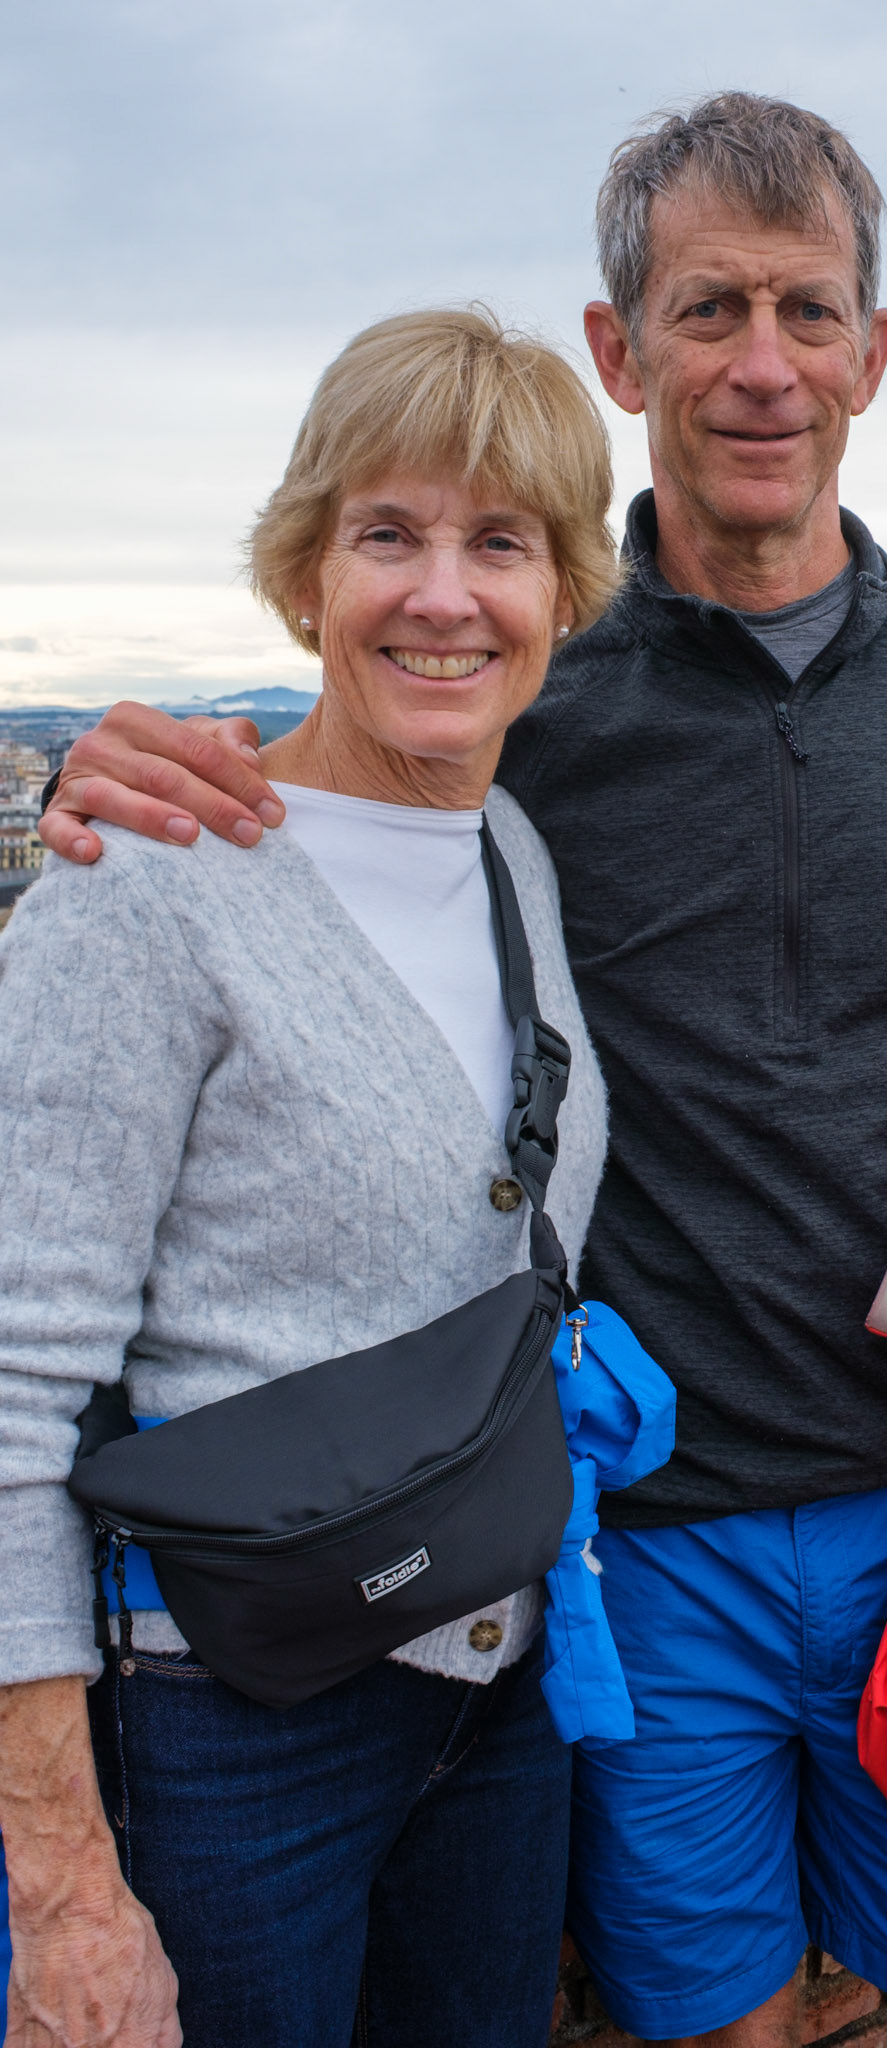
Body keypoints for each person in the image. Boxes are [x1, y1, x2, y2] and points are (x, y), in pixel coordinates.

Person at [41, 95, 887, 2048]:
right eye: (706, 308)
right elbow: (333, 775)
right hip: (635, 1552)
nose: (759, 364)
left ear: (870, 355)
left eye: (806, 313)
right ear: (616, 348)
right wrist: (123, 769)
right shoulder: (530, 674)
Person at [0, 307, 616, 2048]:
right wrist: (61, 1881)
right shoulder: (147, 885)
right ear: (303, 576)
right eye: (387, 534)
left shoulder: (506, 851)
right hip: (226, 1727)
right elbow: (10, 1390)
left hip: (496, 1692)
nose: (445, 593)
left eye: (500, 542)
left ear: (562, 590)